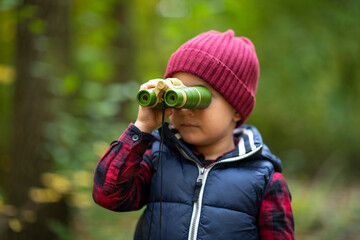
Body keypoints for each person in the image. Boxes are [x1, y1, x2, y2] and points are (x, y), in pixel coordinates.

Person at [92, 29, 295, 240]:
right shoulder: (157, 157)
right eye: (178, 96)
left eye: (199, 97)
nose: (186, 109)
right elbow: (108, 195)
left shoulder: (265, 179)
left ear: (236, 108)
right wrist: (142, 127)